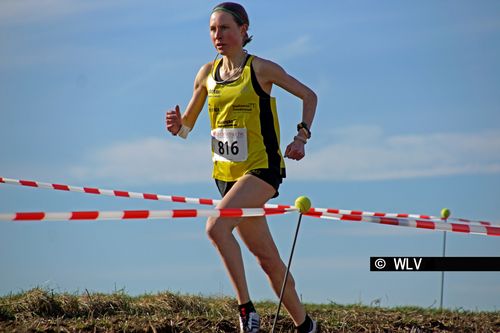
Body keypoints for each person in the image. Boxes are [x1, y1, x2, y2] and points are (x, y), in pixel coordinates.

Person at [165, 3, 318, 332]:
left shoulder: (261, 69)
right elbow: (188, 127)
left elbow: (309, 95)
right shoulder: (206, 74)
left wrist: (301, 137)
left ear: (244, 30)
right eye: (212, 29)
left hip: (262, 170)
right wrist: (178, 125)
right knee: (268, 260)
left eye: (224, 28)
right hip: (226, 179)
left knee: (215, 228)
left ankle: (246, 310)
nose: (217, 36)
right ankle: (306, 325)